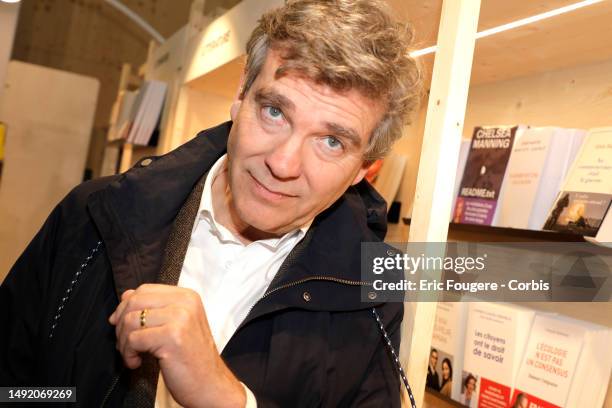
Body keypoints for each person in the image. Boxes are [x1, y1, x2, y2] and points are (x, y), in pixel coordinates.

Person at [0, 0, 420, 407]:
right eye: (274, 111)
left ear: (363, 169)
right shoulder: (92, 213)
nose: (283, 163)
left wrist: (230, 401)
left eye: (331, 141)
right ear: (241, 95)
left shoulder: (374, 290)